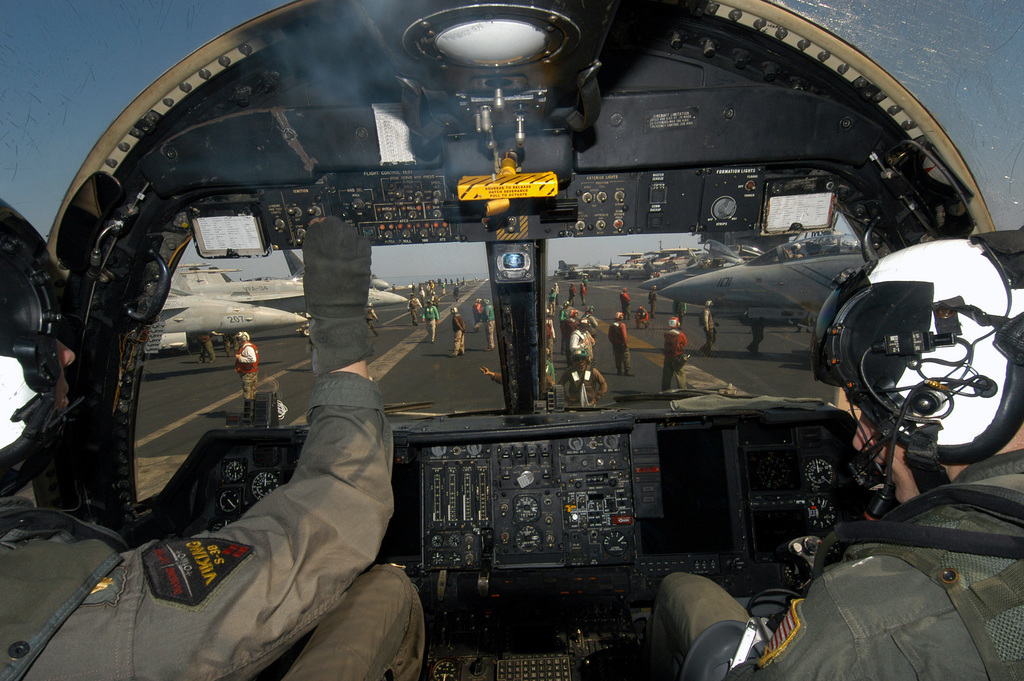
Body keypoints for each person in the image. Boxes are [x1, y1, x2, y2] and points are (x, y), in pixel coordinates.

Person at [0, 207, 424, 680]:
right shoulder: (94, 626)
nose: (65, 353)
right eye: (32, 341)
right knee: (387, 587)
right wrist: (340, 322)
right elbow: (340, 504)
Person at [645, 237, 1024, 681]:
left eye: (874, 413)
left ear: (932, 405)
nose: (862, 444)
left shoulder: (860, 625)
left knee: (681, 587)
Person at [661, 317, 688, 391]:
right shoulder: (680, 334)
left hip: (667, 356)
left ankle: (665, 390)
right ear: (677, 324)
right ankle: (683, 391)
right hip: (677, 356)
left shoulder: (666, 334)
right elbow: (685, 343)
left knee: (667, 374)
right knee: (680, 374)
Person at [235, 331, 259, 399]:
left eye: (239, 339)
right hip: (251, 371)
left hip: (248, 373)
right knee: (252, 391)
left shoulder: (248, 348)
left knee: (247, 392)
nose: (238, 341)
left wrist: (240, 358)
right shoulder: (250, 346)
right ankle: (252, 407)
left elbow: (252, 359)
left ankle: (249, 408)